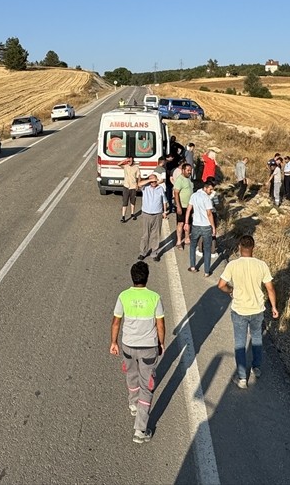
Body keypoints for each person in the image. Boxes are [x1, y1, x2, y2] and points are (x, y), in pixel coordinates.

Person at [110, 260, 166, 444]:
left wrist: (114, 342)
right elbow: (160, 324)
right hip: (148, 348)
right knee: (147, 385)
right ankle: (140, 430)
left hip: (128, 345)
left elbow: (116, 322)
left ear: (132, 277)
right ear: (147, 278)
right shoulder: (155, 297)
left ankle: (133, 403)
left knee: (131, 375)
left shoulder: (123, 296)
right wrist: (161, 343)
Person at [217, 235, 279, 388]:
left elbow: (221, 285)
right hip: (257, 309)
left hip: (239, 309)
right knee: (257, 338)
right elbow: (270, 288)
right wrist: (274, 307)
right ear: (253, 247)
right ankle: (256, 368)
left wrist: (231, 290)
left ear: (239, 247)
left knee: (240, 343)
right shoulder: (262, 265)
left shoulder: (233, 265)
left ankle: (242, 377)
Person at [186, 178, 217, 274]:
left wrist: (186, 222)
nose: (211, 192)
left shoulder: (194, 195)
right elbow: (209, 214)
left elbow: (189, 209)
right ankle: (207, 271)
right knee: (207, 248)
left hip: (196, 224)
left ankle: (192, 266)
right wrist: (213, 227)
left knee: (193, 246)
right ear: (205, 188)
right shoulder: (206, 198)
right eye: (210, 189)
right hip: (206, 226)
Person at [137, 174, 168, 261]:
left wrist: (165, 212)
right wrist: (149, 180)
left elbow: (164, 201)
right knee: (145, 235)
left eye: (155, 181)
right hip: (146, 214)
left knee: (156, 235)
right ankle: (143, 252)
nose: (153, 182)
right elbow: (139, 184)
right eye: (152, 181)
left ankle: (154, 253)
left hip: (157, 214)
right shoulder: (145, 188)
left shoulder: (160, 189)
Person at [172, 162, 194, 248]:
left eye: (190, 170)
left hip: (189, 206)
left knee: (188, 223)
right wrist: (178, 206)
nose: (189, 172)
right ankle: (178, 241)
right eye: (188, 170)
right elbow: (176, 193)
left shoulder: (189, 179)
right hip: (182, 206)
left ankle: (187, 238)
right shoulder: (180, 180)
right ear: (183, 170)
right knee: (180, 223)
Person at [120, 157, 141, 223]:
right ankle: (123, 216)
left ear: (133, 161)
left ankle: (132, 214)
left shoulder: (136, 168)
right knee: (125, 202)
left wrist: (138, 185)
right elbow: (118, 164)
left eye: (130, 161)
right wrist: (125, 160)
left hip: (133, 187)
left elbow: (138, 176)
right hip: (126, 186)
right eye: (128, 161)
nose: (129, 162)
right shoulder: (125, 166)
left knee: (133, 201)